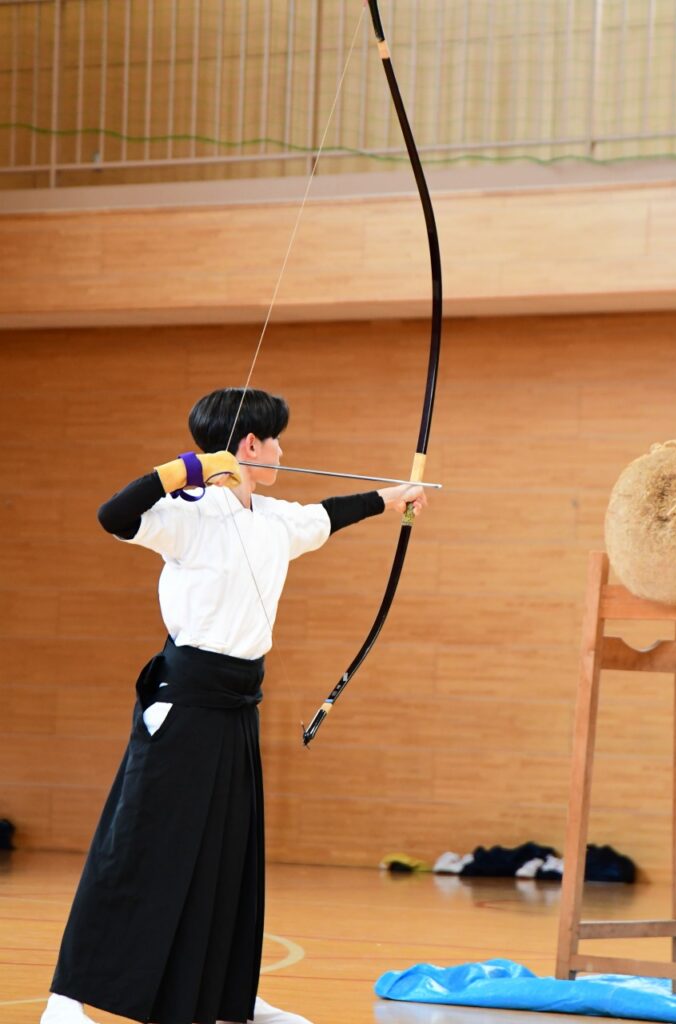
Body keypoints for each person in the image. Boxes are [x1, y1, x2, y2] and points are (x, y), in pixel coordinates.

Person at [40, 387, 427, 1024]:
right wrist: (189, 468)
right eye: (276, 441)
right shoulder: (187, 513)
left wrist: (392, 498)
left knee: (229, 854)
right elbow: (114, 515)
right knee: (137, 847)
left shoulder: (274, 519)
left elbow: (328, 514)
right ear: (251, 444)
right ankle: (65, 999)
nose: (282, 451)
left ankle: (228, 996)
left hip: (237, 703)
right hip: (185, 703)